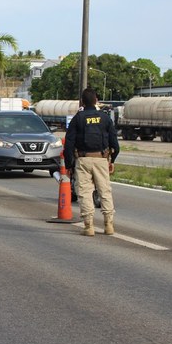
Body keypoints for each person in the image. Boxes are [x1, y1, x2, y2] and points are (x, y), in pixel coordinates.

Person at [64, 87, 120, 236]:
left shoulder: (78, 118)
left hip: (83, 160)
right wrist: (112, 160)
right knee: (105, 191)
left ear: (82, 101)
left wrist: (68, 165)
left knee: (85, 192)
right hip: (101, 159)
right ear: (96, 100)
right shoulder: (105, 118)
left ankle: (89, 226)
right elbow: (115, 143)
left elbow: (69, 143)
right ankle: (109, 225)